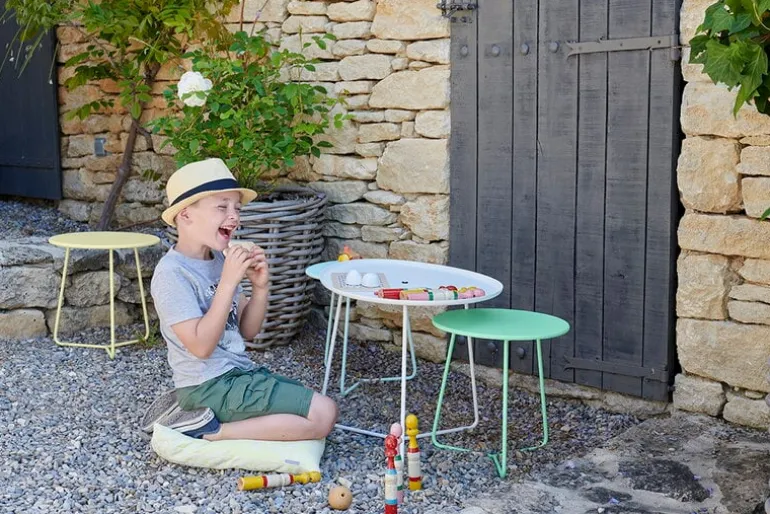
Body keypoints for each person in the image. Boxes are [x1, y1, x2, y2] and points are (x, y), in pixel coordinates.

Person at [144, 157, 337, 441]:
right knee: (324, 413)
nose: (234, 217)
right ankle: (209, 431)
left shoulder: (219, 259)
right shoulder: (171, 275)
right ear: (185, 215)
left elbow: (247, 331)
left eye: (236, 208)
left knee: (312, 407)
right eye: (222, 207)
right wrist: (228, 282)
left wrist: (260, 287)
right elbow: (200, 347)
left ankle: (209, 422)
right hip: (207, 385)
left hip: (238, 374)